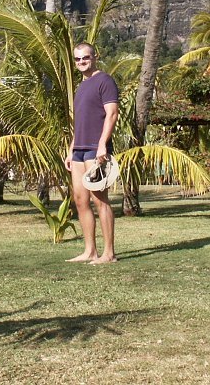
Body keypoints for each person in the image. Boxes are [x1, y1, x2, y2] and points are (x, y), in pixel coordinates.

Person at [65, 42, 119, 264]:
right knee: (80, 200)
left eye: (85, 57)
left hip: (95, 150)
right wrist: (71, 150)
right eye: (77, 59)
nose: (81, 62)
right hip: (79, 150)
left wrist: (102, 145)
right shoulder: (82, 86)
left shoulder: (104, 80)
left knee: (100, 200)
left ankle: (109, 254)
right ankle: (90, 251)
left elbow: (112, 114)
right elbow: (80, 122)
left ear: (94, 57)